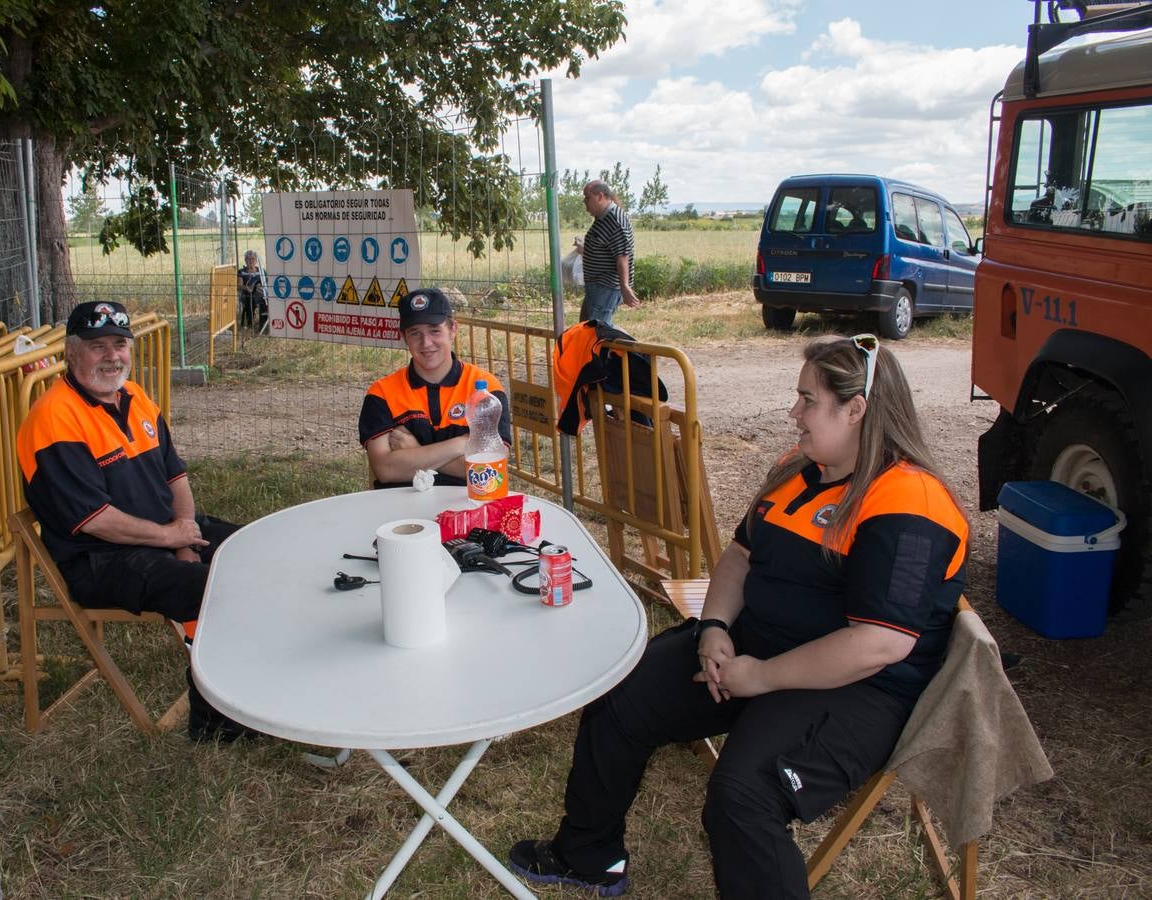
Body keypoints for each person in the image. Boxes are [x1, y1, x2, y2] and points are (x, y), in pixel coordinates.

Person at [509, 335, 969, 898]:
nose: (793, 411)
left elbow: (878, 644)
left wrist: (762, 676)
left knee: (741, 795)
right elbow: (737, 559)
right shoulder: (795, 469)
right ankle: (588, 855)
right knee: (619, 693)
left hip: (855, 690)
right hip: (752, 649)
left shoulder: (908, 502)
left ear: (856, 410)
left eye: (807, 400)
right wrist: (715, 628)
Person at [15, 300, 256, 743]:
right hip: (104, 560)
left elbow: (175, 475)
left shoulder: (135, 396)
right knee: (213, 589)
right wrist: (172, 539)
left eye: (120, 345)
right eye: (97, 346)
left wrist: (184, 536)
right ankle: (216, 721)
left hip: (163, 534)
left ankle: (253, 688)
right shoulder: (53, 420)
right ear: (71, 353)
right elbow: (97, 522)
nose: (112, 356)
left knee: (256, 551)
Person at [358, 287, 512, 488]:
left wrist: (416, 450)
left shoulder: (486, 390)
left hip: (467, 503)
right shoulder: (381, 393)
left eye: (434, 330)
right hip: (401, 508)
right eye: (415, 333)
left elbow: (492, 470)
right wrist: (462, 444)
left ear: (453, 330)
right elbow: (386, 469)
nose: (426, 343)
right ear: (404, 337)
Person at [575, 181, 639, 326]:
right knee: (587, 327)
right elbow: (604, 248)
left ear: (600, 196)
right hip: (597, 286)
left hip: (605, 287)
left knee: (598, 331)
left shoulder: (614, 220)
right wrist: (585, 249)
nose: (584, 202)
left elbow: (622, 256)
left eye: (587, 197)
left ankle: (632, 348)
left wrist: (625, 287)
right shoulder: (603, 217)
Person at [237, 249, 268, 333]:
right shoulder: (241, 272)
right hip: (247, 293)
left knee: (263, 298)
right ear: (245, 260)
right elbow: (239, 286)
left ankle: (263, 323)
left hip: (260, 293)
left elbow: (267, 283)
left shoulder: (261, 271)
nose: (251, 261)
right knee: (251, 298)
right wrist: (246, 288)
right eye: (248, 259)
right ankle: (251, 324)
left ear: (256, 260)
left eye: (253, 259)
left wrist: (260, 286)